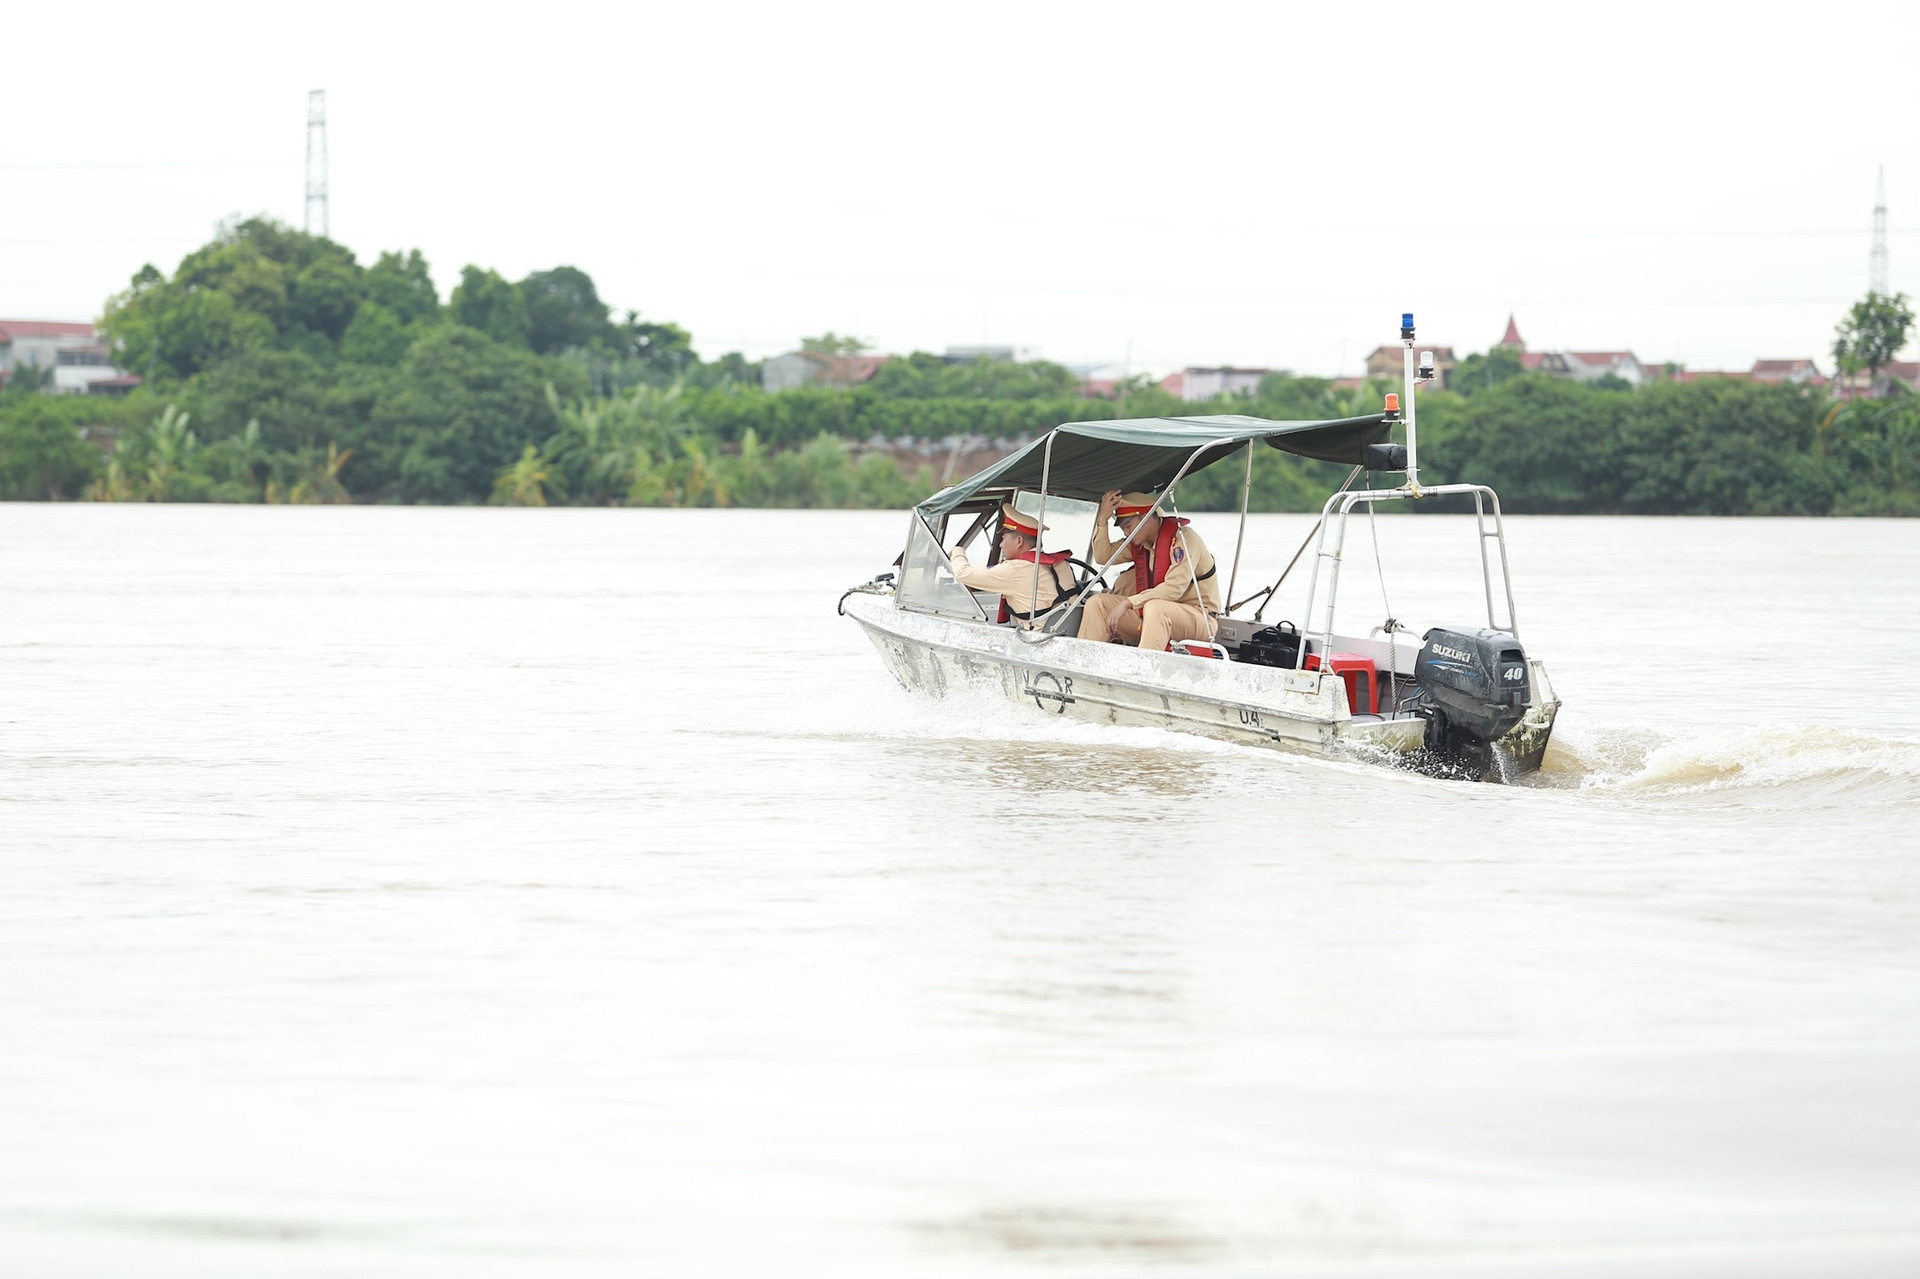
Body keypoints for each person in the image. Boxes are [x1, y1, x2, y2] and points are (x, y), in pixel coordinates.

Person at [1077, 490, 1221, 650]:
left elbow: (1174, 589)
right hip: (1155, 615)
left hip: (1199, 619)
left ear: (1145, 518)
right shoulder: (1140, 544)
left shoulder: (1184, 540)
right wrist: (1102, 520)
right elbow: (1103, 557)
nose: (1126, 533)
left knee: (1155, 608)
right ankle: (1084, 664)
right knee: (1097, 603)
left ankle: (1141, 670)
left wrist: (1129, 602)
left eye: (1128, 526)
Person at [948, 503, 1075, 627]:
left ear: (1019, 541)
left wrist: (957, 551)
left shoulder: (1014, 570)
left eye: (1004, 538)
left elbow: (962, 573)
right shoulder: (1061, 564)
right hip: (1064, 636)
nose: (1001, 545)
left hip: (1034, 641)